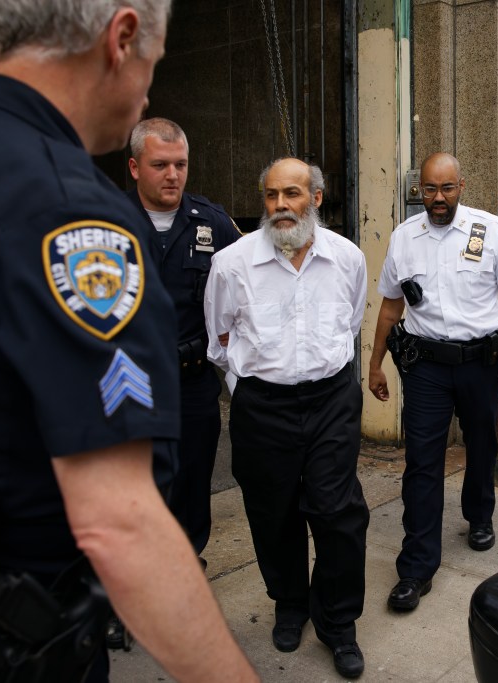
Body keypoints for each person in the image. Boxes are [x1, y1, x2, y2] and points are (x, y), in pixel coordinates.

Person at [0, 1, 257, 681]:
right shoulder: (70, 208)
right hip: (6, 649)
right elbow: (119, 523)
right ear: (121, 38)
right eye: (153, 63)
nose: (149, 89)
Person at [204, 157, 370, 679]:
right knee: (272, 514)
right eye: (272, 195)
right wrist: (250, 390)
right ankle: (290, 604)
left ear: (316, 199)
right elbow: (219, 340)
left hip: (332, 402)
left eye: (293, 194)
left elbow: (352, 321)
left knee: (338, 512)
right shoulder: (232, 264)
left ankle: (339, 623)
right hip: (263, 407)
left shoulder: (347, 257)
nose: (281, 206)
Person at [368, 152, 498, 613]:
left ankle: (479, 515)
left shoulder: (490, 232)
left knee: (482, 443)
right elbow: (389, 307)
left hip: (482, 363)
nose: (437, 198)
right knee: (422, 462)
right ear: (417, 190)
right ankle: (416, 568)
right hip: (425, 367)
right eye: (428, 189)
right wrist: (376, 363)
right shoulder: (404, 238)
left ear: (462, 186)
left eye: (446, 188)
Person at [126, 117, 240, 559]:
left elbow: (248, 288)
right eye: (160, 165)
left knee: (193, 479)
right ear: (135, 168)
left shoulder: (212, 224)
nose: (173, 175)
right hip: (130, 382)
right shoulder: (103, 223)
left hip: (192, 381)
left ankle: (186, 559)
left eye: (180, 164)